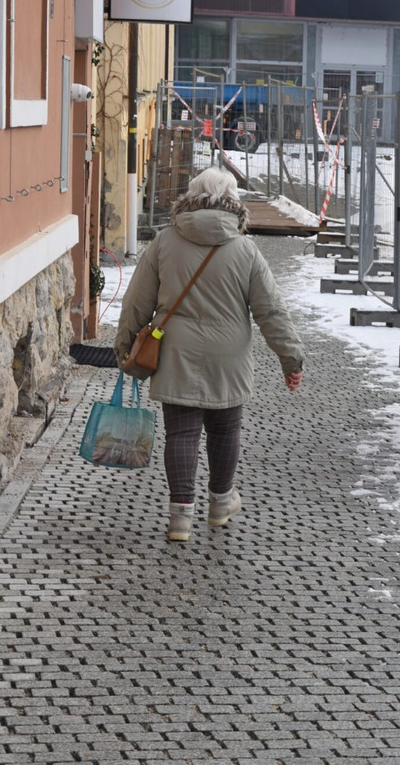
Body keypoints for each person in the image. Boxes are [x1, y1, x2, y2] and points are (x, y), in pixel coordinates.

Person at [115, 166, 305, 542]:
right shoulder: (245, 249)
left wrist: (124, 348)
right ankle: (220, 504)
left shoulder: (165, 241)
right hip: (228, 353)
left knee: (181, 433)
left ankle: (180, 518)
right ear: (233, 201)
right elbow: (271, 310)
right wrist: (291, 358)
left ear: (191, 196)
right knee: (225, 429)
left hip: (175, 350)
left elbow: (137, 301)